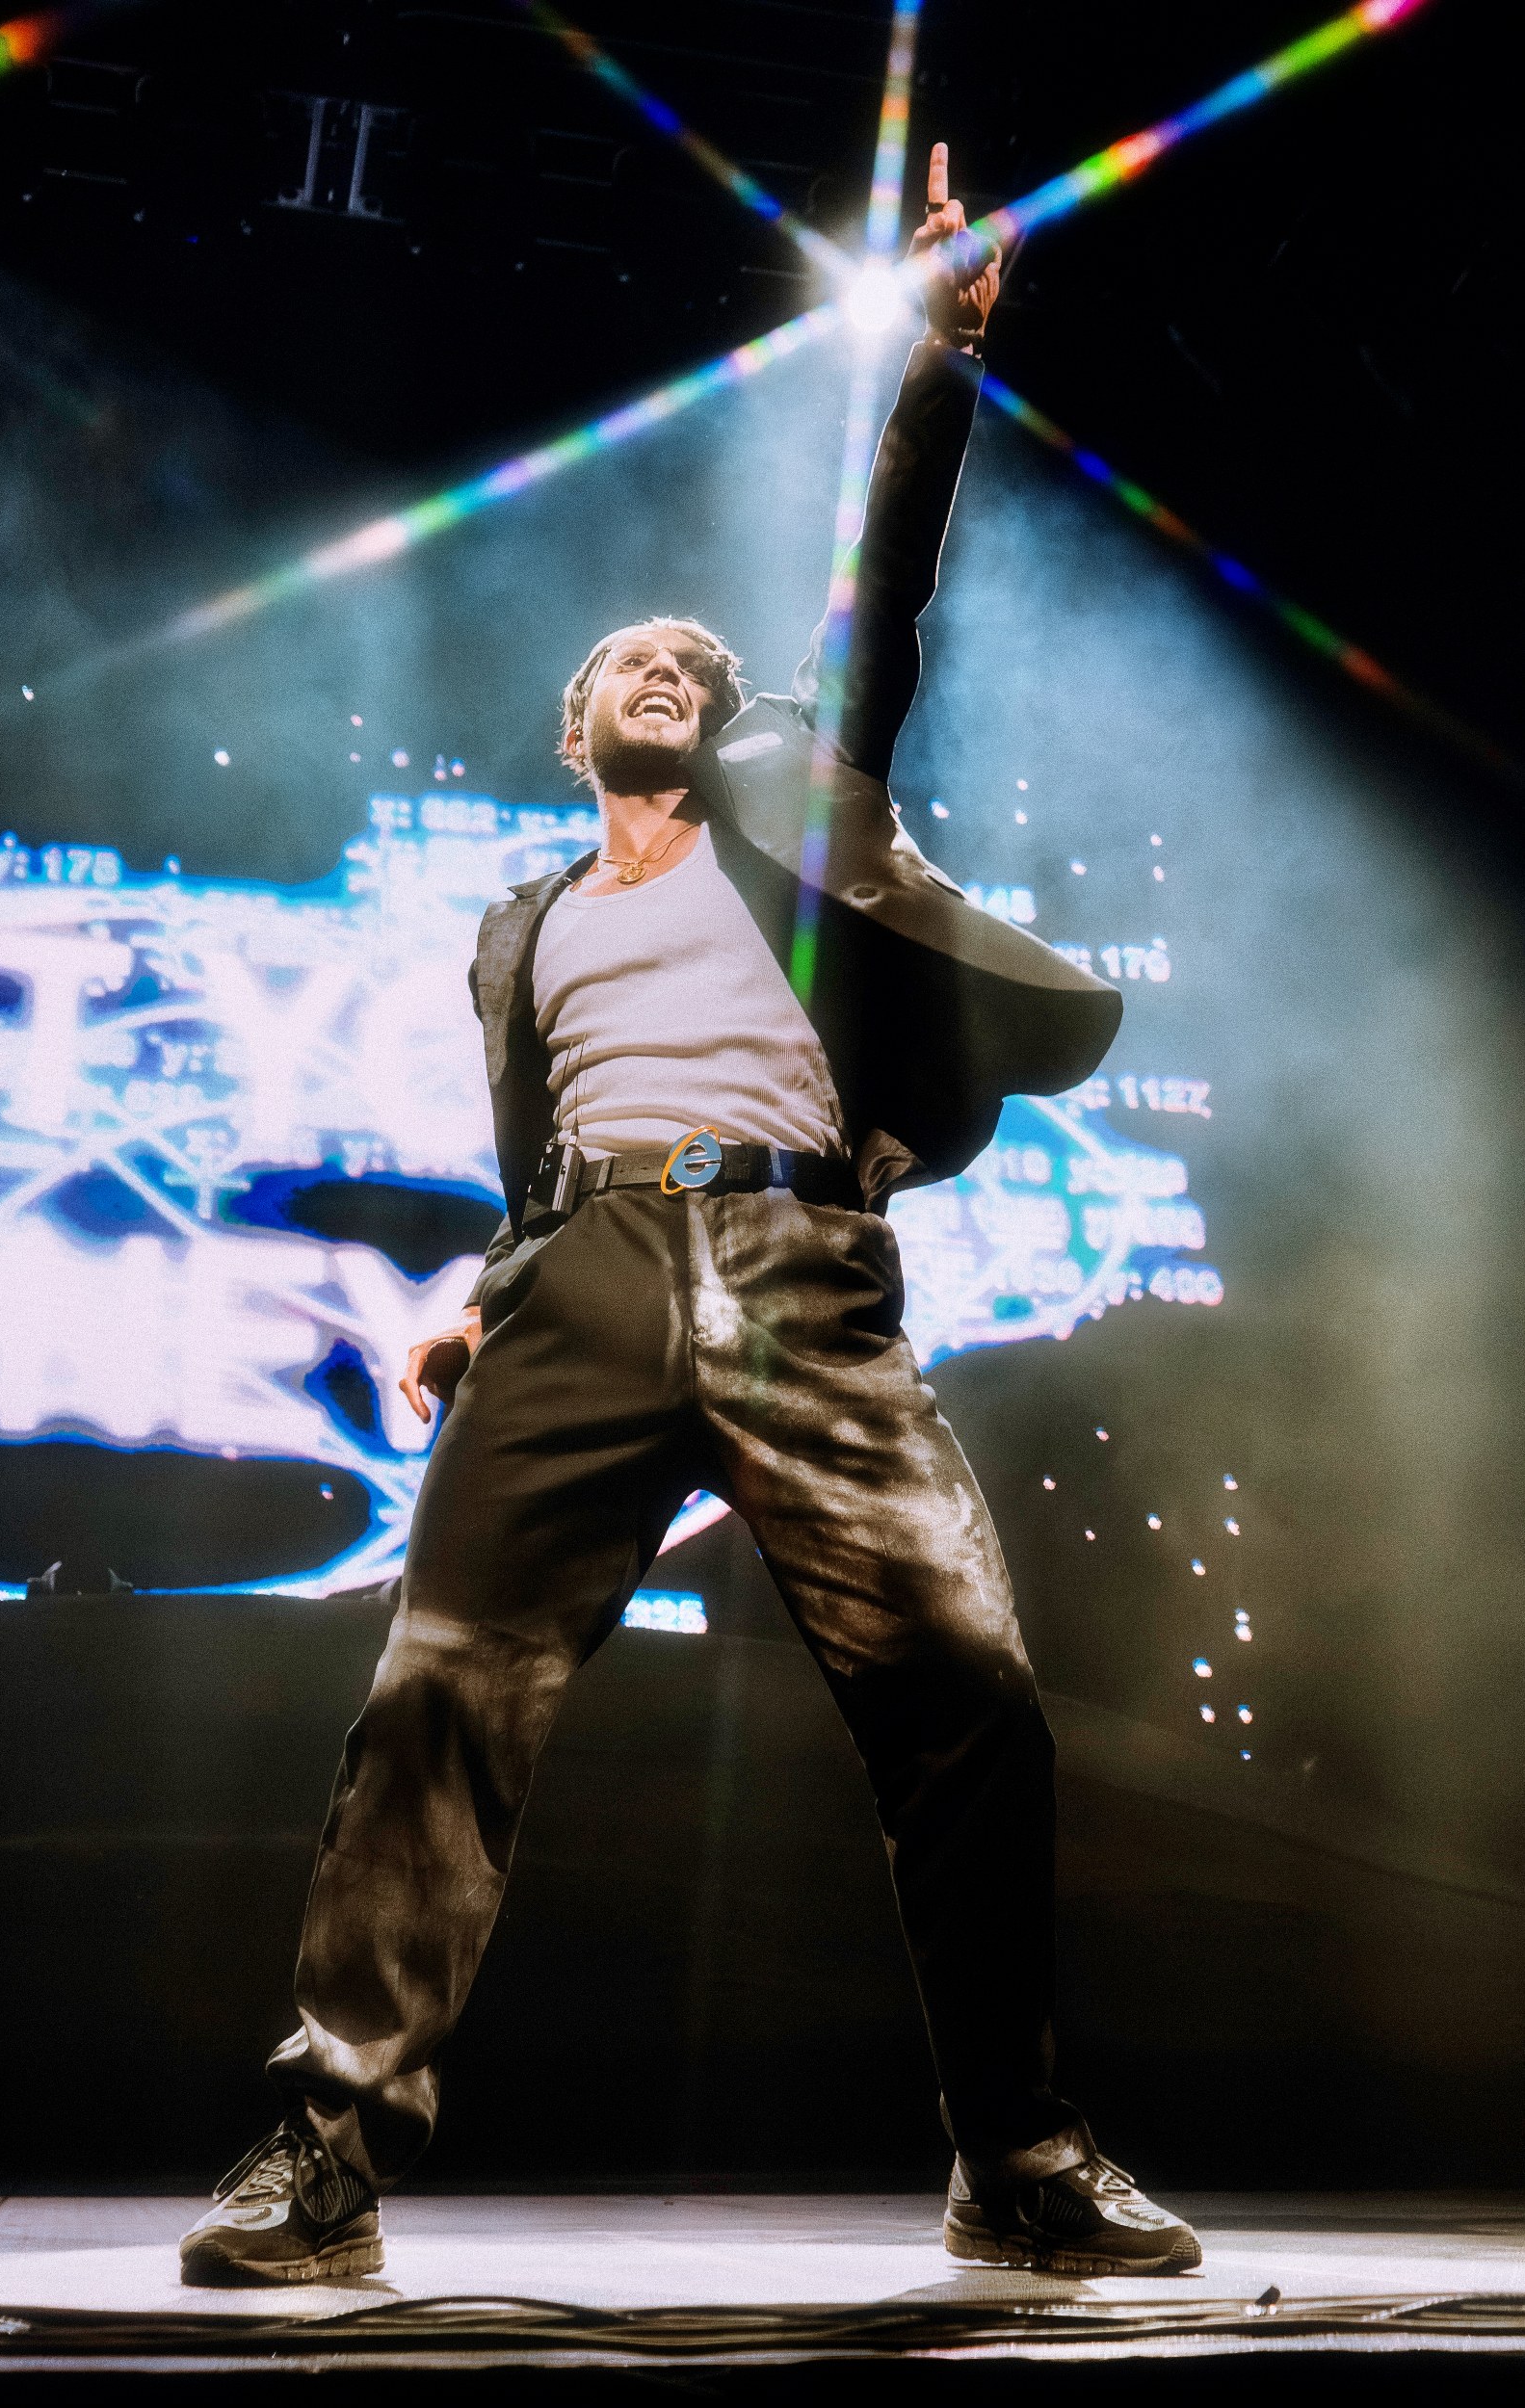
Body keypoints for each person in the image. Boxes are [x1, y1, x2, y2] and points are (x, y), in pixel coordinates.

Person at [180, 144, 1199, 2287]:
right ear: (578, 730)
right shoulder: (522, 923)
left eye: (696, 655)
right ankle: (323, 2143)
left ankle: (1018, 2152)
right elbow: (543, 1155)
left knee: (970, 1688)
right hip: (581, 1280)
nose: (674, 660)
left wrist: (928, 360)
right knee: (439, 1687)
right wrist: (482, 1290)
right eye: (634, 655)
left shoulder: (800, 802)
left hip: (803, 1277)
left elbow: (878, 584)